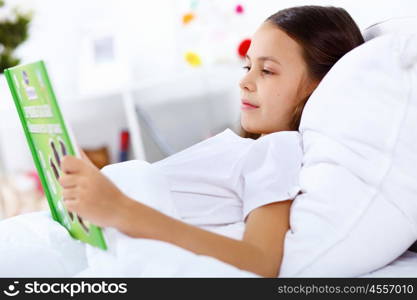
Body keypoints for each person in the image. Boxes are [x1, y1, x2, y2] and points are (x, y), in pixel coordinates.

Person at [5, 5, 365, 278]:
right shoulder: (251, 149)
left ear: (321, 87)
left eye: (267, 70)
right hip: (76, 235)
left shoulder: (278, 149)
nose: (245, 81)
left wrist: (121, 209)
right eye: (247, 66)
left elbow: (261, 261)